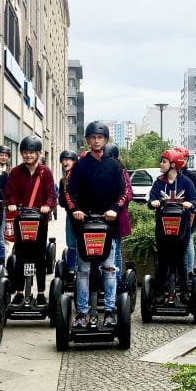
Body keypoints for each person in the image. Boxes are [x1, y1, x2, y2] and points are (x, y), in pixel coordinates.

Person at [64, 121, 129, 327]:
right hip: (84, 224)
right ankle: (82, 312)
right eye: (92, 137)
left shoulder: (115, 166)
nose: (96, 140)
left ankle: (110, 311)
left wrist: (115, 209)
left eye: (99, 137)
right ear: (88, 140)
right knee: (83, 270)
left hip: (107, 224)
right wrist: (75, 210)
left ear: (105, 140)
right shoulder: (79, 166)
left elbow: (125, 193)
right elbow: (67, 192)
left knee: (109, 268)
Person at [4, 136, 56, 305]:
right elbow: (9, 192)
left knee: (40, 256)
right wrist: (11, 204)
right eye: (25, 152)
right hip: (21, 220)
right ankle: (19, 292)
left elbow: (51, 194)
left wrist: (47, 205)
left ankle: (41, 293)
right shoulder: (16, 172)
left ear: (38, 153)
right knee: (20, 256)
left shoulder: (45, 172)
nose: (28, 155)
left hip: (40, 221)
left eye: (31, 152)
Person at [148, 150, 196, 299]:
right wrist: (153, 202)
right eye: (161, 161)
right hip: (163, 228)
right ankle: (159, 291)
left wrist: (190, 204)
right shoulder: (159, 182)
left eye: (164, 161)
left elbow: (195, 200)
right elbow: (151, 201)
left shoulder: (186, 182)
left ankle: (184, 291)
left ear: (174, 165)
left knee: (180, 259)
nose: (160, 164)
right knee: (163, 259)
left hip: (182, 228)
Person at [104, 143, 133, 280]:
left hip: (118, 217)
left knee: (115, 251)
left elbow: (128, 194)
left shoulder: (121, 171)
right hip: (101, 217)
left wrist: (115, 205)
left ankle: (117, 281)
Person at [174, 146, 196, 276]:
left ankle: (189, 271)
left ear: (186, 159)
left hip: (188, 214)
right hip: (172, 215)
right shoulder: (167, 175)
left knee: (188, 240)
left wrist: (195, 204)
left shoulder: (191, 176)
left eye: (182, 158)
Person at [57, 150, 79, 274]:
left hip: (82, 215)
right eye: (63, 160)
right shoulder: (63, 180)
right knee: (71, 243)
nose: (65, 162)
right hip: (70, 215)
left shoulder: (80, 177)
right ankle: (71, 269)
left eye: (68, 159)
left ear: (74, 162)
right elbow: (61, 199)